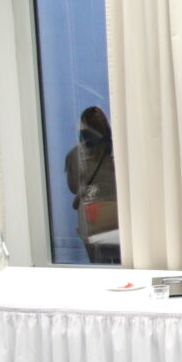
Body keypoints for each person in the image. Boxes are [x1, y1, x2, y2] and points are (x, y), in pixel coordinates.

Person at [64, 106, 119, 263]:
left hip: (91, 217)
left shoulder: (75, 154)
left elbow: (73, 187)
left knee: (99, 266)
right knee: (122, 264)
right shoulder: (116, 150)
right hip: (115, 216)